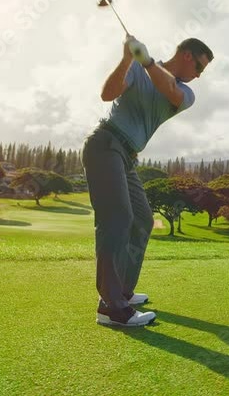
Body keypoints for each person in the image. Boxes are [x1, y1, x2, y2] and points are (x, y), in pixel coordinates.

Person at [83, 34, 213, 327]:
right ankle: (111, 307)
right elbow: (107, 94)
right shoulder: (137, 71)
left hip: (127, 157)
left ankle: (122, 293)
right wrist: (128, 59)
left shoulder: (184, 94)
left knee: (142, 220)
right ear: (187, 56)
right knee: (116, 219)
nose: (198, 76)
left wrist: (147, 61)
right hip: (105, 144)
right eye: (200, 68)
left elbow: (168, 88)